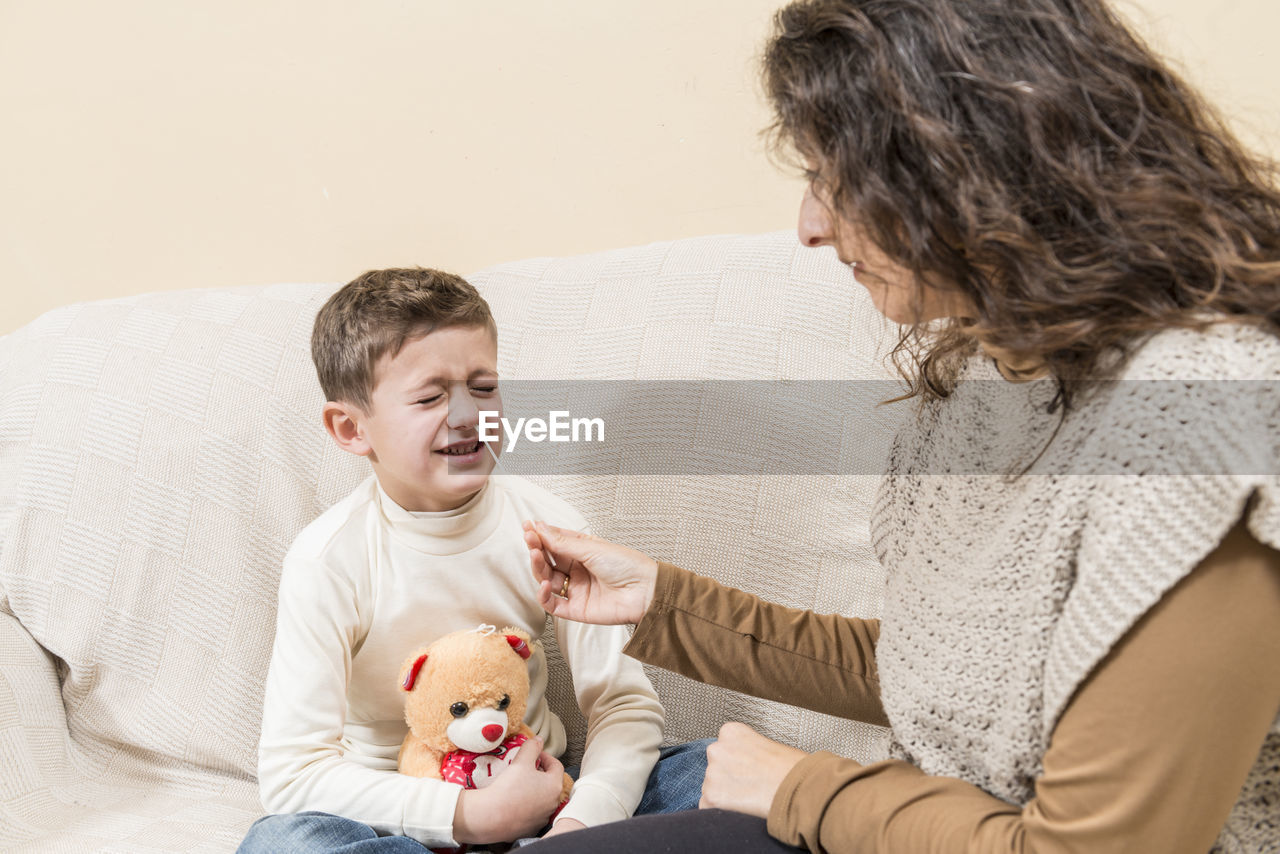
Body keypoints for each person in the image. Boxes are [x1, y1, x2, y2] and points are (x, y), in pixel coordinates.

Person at [515, 0, 1280, 852]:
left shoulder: (1209, 420)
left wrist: (803, 789)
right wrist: (668, 604)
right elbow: (946, 675)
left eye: (831, 178)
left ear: (967, 162)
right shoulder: (997, 374)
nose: (809, 226)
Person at [238, 268, 705, 853]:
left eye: (483, 387)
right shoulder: (328, 560)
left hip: (546, 801)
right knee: (285, 844)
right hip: (393, 821)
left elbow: (622, 703)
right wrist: (468, 816)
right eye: (431, 397)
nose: (468, 415)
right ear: (351, 427)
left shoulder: (549, 530)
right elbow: (293, 773)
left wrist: (579, 821)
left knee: (719, 772)